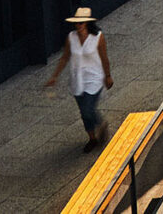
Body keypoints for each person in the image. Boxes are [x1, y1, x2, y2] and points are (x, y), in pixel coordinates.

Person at [43, 8, 115, 150]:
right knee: (83, 112)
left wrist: (108, 75)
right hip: (77, 80)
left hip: (94, 78)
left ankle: (100, 124)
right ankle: (92, 138)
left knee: (88, 109)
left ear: (87, 23)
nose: (79, 25)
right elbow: (65, 58)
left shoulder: (98, 37)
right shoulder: (71, 37)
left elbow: (104, 57)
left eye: (81, 23)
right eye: (77, 23)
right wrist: (54, 76)